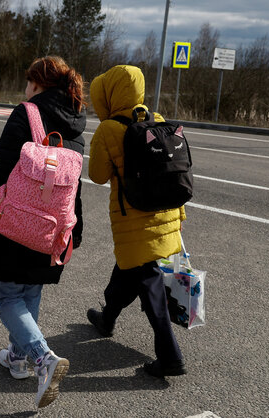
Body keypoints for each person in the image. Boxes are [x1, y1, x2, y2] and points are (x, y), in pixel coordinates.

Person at [0, 56, 86, 408]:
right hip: (53, 229)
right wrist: (76, 229)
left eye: (27, 81)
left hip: (17, 222)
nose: (25, 88)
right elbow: (75, 185)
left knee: (6, 297)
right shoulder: (78, 121)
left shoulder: (26, 113)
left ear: (37, 83)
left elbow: (3, 169)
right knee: (30, 291)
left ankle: (42, 357)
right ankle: (18, 359)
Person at [84, 64, 187, 378]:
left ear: (109, 93)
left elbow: (97, 176)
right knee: (127, 272)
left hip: (134, 220)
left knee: (148, 282)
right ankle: (107, 317)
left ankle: (170, 357)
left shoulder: (108, 129)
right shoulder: (156, 120)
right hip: (168, 214)